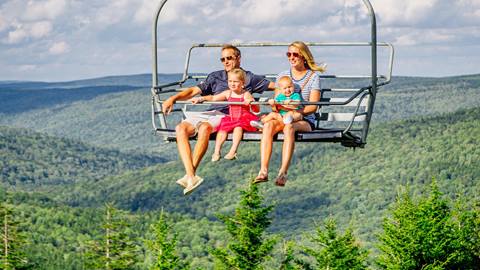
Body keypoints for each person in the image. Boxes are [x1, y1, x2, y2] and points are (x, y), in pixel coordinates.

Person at [162, 45, 274, 195]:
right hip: (209, 112)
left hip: (226, 117)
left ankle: (190, 175)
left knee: (204, 129)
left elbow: (275, 87)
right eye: (223, 59)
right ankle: (191, 175)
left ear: (238, 58)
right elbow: (193, 91)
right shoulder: (215, 76)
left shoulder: (248, 78)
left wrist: (284, 98)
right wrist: (173, 98)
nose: (226, 62)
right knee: (180, 129)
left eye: (229, 58)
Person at [254, 41, 325, 187]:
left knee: (289, 128)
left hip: (304, 119)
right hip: (282, 115)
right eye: (289, 54)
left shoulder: (313, 77)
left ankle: (283, 172)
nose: (291, 57)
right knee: (268, 125)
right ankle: (263, 170)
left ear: (303, 56)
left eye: (295, 54)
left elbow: (313, 107)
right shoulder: (283, 75)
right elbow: (277, 104)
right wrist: (275, 106)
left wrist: (295, 113)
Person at [192, 68, 258, 161]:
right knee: (222, 129)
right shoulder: (228, 93)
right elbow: (214, 98)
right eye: (230, 81)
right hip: (232, 118)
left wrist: (250, 102)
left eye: (235, 81)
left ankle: (233, 150)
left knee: (238, 128)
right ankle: (217, 151)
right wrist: (201, 99)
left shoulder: (245, 94)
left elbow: (256, 108)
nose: (232, 84)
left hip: (243, 118)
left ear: (242, 83)